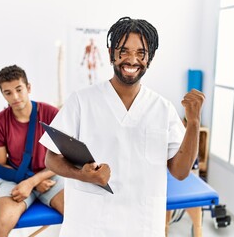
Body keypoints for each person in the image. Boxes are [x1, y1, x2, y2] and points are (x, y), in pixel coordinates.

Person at [40, 17, 204, 237]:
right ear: (110, 54)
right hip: (90, 225)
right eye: (124, 51)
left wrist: (193, 122)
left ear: (150, 58)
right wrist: (83, 175)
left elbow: (181, 171)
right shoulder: (82, 101)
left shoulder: (162, 109)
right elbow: (51, 158)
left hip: (142, 225)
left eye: (141, 53)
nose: (132, 60)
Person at [0, 65, 64, 237]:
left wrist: (34, 181)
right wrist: (30, 181)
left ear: (28, 88)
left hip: (51, 175)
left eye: (19, 89)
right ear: (3, 94)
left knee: (81, 215)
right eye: (8, 92)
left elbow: (64, 159)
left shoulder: (51, 114)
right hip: (15, 178)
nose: (15, 97)